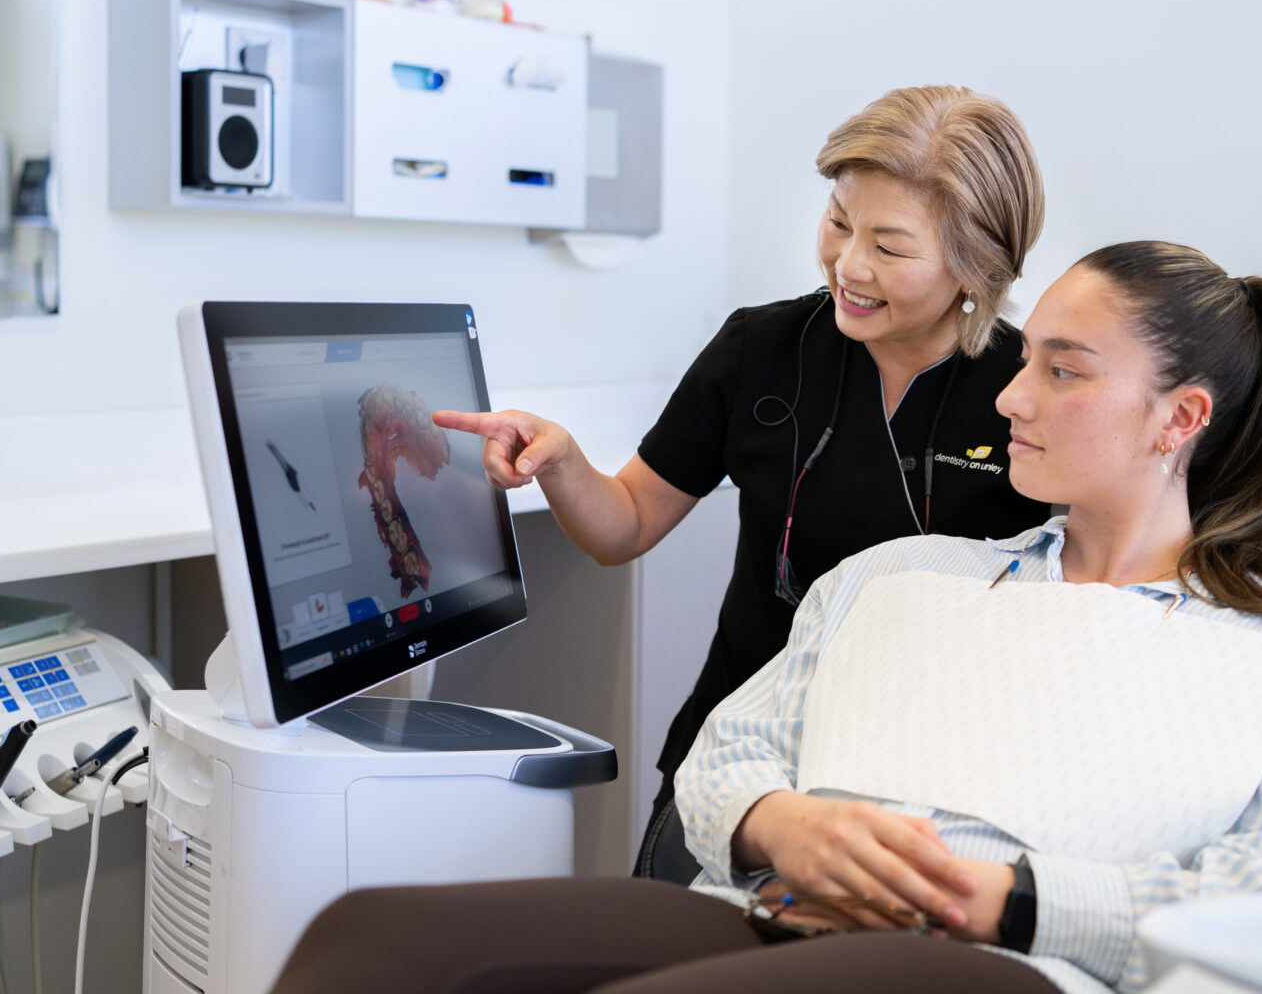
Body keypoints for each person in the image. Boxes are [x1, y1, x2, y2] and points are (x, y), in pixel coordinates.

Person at [272, 242, 1262, 994]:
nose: (1015, 396)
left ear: (1180, 416)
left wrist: (1005, 894)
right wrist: (781, 822)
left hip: (1017, 962)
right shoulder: (900, 576)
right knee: (373, 945)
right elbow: (731, 750)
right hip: (777, 908)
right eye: (1023, 362)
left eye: (1063, 372)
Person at [436, 85, 1051, 866]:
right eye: (837, 221)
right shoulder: (760, 349)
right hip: (735, 761)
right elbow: (622, 526)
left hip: (922, 783)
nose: (849, 264)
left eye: (889, 248)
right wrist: (561, 462)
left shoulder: (1026, 393)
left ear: (977, 266)